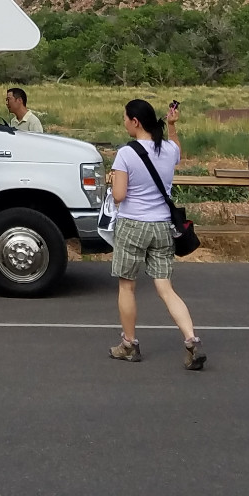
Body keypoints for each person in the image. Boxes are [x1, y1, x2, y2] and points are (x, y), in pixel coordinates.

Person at [101, 98, 205, 370]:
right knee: (166, 288)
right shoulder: (168, 149)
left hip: (133, 225)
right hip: (162, 227)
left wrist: (112, 182)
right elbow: (178, 151)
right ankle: (191, 340)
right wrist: (172, 126)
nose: (124, 123)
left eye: (125, 118)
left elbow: (120, 196)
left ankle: (129, 344)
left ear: (135, 122)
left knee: (127, 286)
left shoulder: (126, 153)